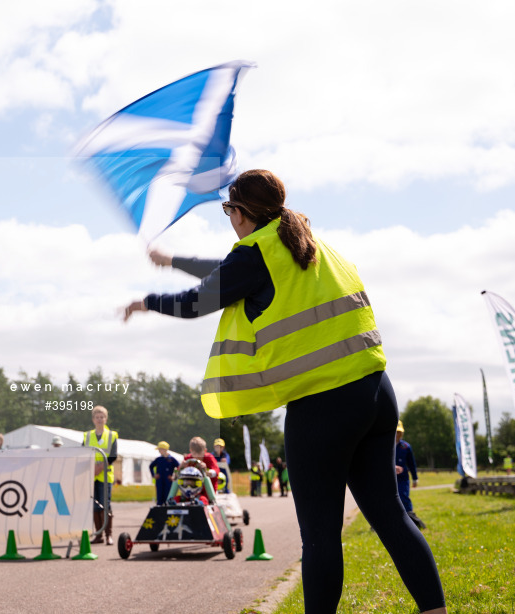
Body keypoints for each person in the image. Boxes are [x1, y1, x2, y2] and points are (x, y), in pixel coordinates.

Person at [121, 170, 446, 613]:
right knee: (392, 517)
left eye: (227, 210)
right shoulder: (309, 244)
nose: (227, 219)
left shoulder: (256, 255)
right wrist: (173, 260)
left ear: (240, 212)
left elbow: (201, 298)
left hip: (322, 406)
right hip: (375, 394)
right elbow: (229, 271)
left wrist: (147, 302)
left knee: (320, 536)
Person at [82, 405, 118, 545]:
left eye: (102, 417)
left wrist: (100, 467)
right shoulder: (87, 435)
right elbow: (83, 454)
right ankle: (98, 535)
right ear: (93, 419)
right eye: (97, 417)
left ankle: (109, 534)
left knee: (105, 505)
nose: (99, 419)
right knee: (94, 506)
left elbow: (113, 456)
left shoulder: (112, 435)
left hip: (105, 475)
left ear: (106, 419)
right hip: (92, 476)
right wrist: (92, 469)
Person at [396, 421, 426, 530]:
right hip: (388, 479)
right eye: (395, 432)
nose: (397, 435)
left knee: (403, 497)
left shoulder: (406, 447)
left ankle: (411, 519)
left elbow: (412, 464)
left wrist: (415, 478)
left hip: (403, 479)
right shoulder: (385, 447)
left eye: (399, 432)